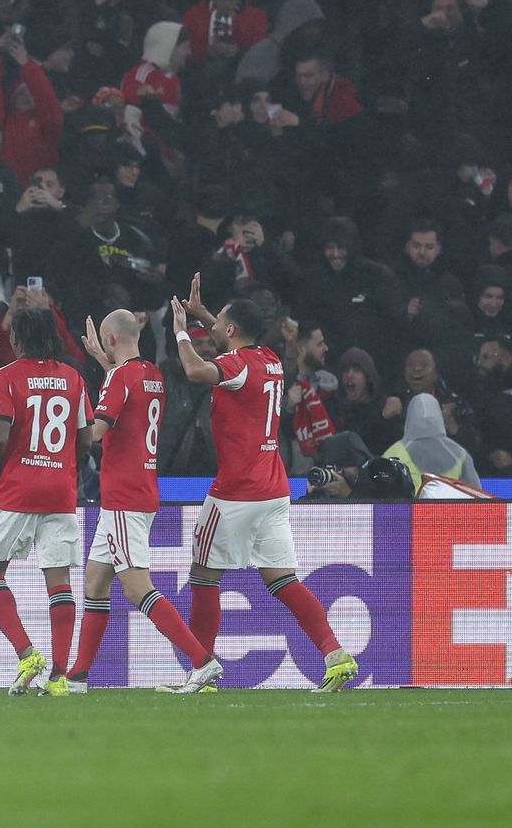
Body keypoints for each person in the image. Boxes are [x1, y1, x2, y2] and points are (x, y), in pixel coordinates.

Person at [170, 275, 358, 693]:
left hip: (237, 490)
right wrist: (205, 314)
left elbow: (195, 369)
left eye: (219, 323)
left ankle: (202, 670)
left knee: (203, 576)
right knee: (284, 580)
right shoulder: (270, 358)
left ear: (232, 331)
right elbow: (236, 337)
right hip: (274, 490)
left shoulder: (236, 366)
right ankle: (335, 653)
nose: (212, 327)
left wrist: (183, 328)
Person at [52, 310, 218, 696]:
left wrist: (58, 433)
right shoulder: (153, 375)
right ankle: (77, 678)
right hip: (136, 492)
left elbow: (94, 432)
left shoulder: (117, 378)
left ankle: (201, 660)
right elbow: (124, 386)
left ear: (109, 340)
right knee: (95, 584)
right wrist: (101, 360)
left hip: (123, 496)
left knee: (137, 588)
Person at [0, 306, 91, 695]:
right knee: (59, 582)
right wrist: (68, 467)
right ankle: (58, 676)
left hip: (19, 488)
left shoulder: (6, 376)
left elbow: (0, 435)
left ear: (18, 338)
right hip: (61, 489)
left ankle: (26, 653)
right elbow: (86, 438)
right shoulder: (73, 377)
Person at [382, 393, 484, 494]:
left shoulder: (392, 454)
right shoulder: (459, 454)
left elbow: (380, 499)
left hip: (407, 511)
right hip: (451, 510)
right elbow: (477, 498)